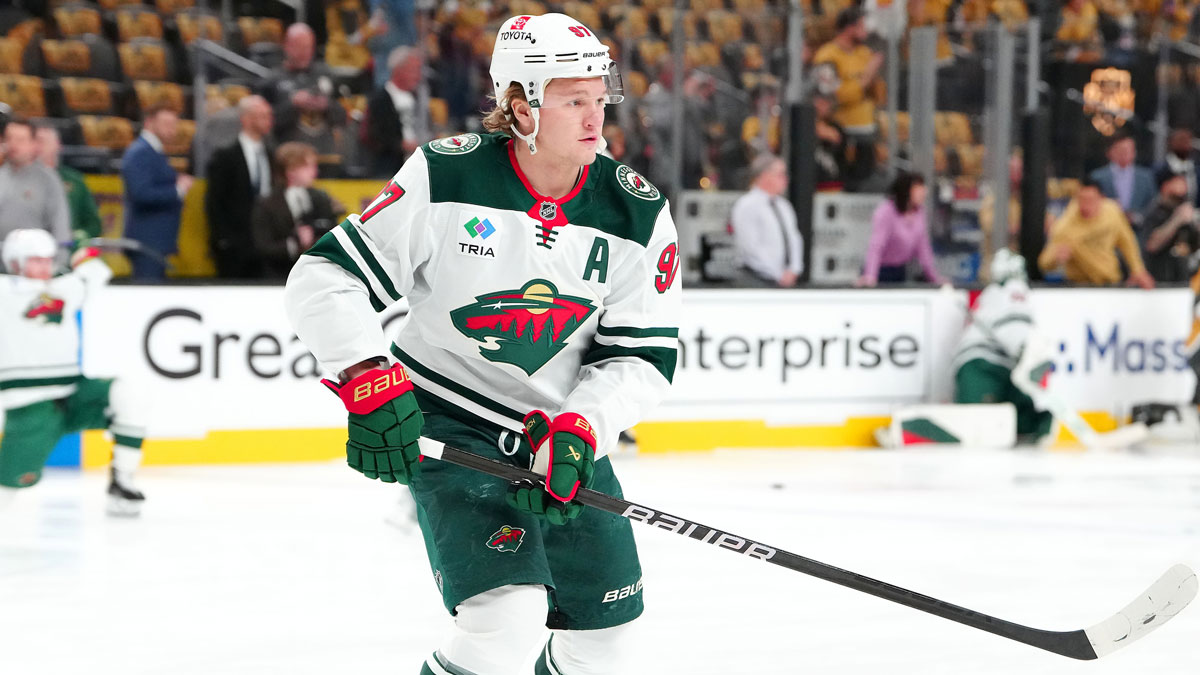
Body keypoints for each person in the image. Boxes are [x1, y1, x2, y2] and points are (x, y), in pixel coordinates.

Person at [284, 13, 680, 675]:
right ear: (520, 103)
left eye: (598, 97)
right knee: (504, 621)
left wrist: (582, 426)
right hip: (449, 418)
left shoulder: (635, 212)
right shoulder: (448, 175)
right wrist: (366, 374)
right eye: (572, 99)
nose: (595, 116)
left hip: (559, 438)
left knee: (606, 637)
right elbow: (325, 276)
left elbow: (639, 356)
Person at [0, 229, 147, 516]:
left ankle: (122, 482)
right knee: (8, 485)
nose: (44, 267)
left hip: (75, 393)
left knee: (128, 393)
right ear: (15, 262)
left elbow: (95, 273)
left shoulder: (63, 288)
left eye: (48, 260)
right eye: (35, 261)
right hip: (30, 406)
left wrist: (84, 254)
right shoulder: (4, 291)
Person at [952, 249, 1054, 442]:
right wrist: (1027, 352)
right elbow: (1014, 326)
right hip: (984, 366)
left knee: (987, 420)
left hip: (980, 365)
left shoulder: (993, 292)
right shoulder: (1014, 288)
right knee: (977, 423)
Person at [1037, 178, 1155, 288]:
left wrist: (1138, 270)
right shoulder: (1066, 225)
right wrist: (1055, 257)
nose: (1085, 205)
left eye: (1090, 200)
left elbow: (1127, 242)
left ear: (1101, 199)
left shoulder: (1112, 213)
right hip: (1079, 286)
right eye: (1081, 199)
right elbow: (1044, 263)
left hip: (1110, 282)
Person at [812, 7, 883, 189]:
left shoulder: (863, 53)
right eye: (862, 27)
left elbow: (878, 94)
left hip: (867, 130)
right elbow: (830, 95)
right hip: (842, 132)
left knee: (866, 181)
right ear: (850, 28)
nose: (866, 32)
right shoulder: (827, 56)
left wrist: (875, 80)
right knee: (845, 183)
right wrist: (866, 78)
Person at [206, 95, 274, 279]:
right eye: (262, 115)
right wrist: (223, 240)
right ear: (246, 119)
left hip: (266, 245)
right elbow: (215, 202)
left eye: (269, 115)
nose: (269, 120)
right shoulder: (225, 156)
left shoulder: (271, 155)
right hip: (235, 244)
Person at [251, 142, 340, 280]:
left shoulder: (321, 198)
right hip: (277, 279)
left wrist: (315, 240)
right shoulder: (267, 204)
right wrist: (294, 244)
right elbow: (263, 246)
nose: (315, 172)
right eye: (308, 166)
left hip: (316, 277)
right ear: (291, 170)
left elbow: (333, 232)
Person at [270, 23, 346, 158]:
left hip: (325, 153)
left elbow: (343, 116)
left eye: (309, 47)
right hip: (289, 158)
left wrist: (326, 105)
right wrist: (293, 104)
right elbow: (267, 121)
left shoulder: (326, 74)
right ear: (287, 45)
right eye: (300, 46)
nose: (305, 52)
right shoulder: (273, 79)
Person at [858, 172, 944, 285]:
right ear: (907, 190)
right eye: (919, 188)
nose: (924, 192)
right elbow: (876, 246)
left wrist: (934, 278)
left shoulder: (920, 213)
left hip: (899, 271)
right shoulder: (887, 211)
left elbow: (923, 248)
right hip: (881, 271)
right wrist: (870, 276)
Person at [730, 153, 803, 287]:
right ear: (764, 176)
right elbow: (750, 247)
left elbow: (794, 239)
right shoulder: (747, 205)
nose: (785, 179)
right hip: (755, 279)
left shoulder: (784, 206)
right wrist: (778, 274)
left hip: (783, 281)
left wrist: (793, 269)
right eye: (780, 174)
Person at [0, 118, 71, 243]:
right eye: (9, 138)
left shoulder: (47, 179)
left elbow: (59, 223)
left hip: (33, 256)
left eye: (20, 140)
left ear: (34, 144)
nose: (13, 145)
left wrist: (60, 257)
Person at [36, 124, 102, 243]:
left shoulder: (74, 180)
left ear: (57, 144)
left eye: (42, 141)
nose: (38, 146)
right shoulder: (22, 179)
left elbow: (93, 223)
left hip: (68, 247)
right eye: (35, 141)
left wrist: (79, 235)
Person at [364, 46, 422, 178]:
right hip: (388, 169)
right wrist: (401, 145)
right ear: (398, 70)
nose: (418, 76)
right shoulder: (380, 99)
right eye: (413, 70)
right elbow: (374, 136)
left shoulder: (417, 99)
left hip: (416, 167)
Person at [1138, 167, 1199, 283]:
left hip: (1184, 279)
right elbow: (1151, 245)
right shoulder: (1154, 211)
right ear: (1165, 186)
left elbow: (1193, 246)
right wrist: (1177, 220)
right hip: (1159, 279)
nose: (1183, 188)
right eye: (1178, 183)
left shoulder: (1183, 208)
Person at [1088, 134, 1155, 225]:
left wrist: (1137, 217)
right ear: (1110, 152)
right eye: (1121, 150)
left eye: (1129, 150)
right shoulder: (1097, 177)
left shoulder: (1146, 177)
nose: (1125, 153)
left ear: (1134, 152)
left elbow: (1152, 203)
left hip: (1138, 232)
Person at [1158, 128, 1200, 207]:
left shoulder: (1196, 171)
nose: (1185, 144)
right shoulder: (1160, 170)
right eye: (1180, 140)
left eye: (1187, 141)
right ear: (1172, 143)